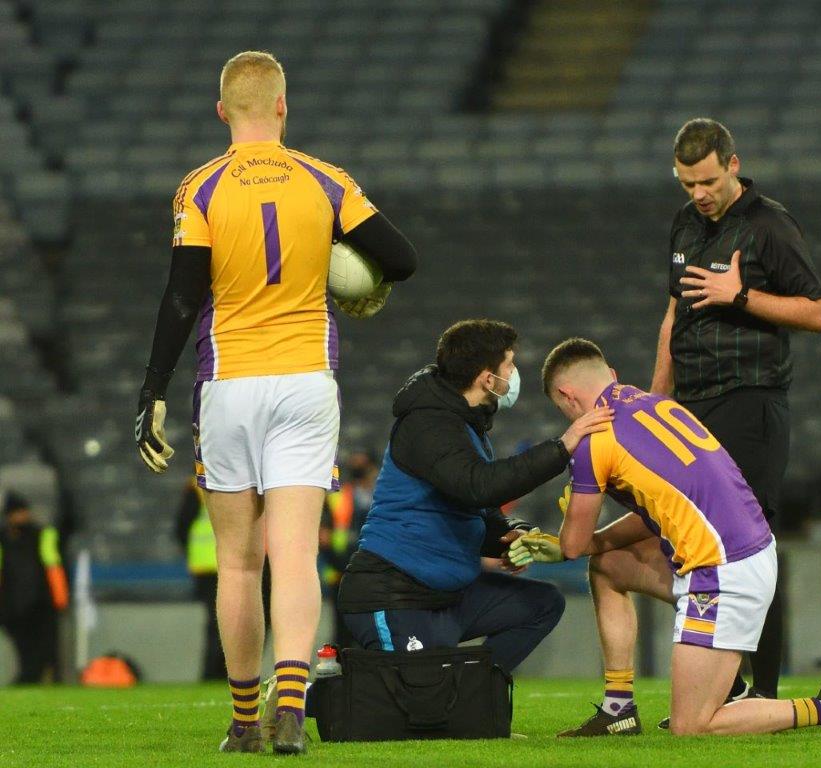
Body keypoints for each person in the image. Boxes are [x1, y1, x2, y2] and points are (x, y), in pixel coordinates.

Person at [133, 50, 417, 754]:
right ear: (284, 106)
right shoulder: (327, 182)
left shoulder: (197, 190)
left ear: (222, 109)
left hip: (227, 382)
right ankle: (289, 702)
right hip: (304, 381)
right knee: (295, 557)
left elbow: (180, 298)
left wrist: (151, 391)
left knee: (238, 561)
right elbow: (404, 259)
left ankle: (241, 721)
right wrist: (340, 266)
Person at [512, 339, 821, 737]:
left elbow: (572, 545)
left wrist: (567, 535)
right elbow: (659, 514)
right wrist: (591, 544)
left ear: (565, 395)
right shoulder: (657, 404)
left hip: (722, 572)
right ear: (611, 375)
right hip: (748, 551)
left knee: (691, 726)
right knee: (607, 566)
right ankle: (618, 709)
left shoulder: (594, 440)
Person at [651, 118, 821, 703]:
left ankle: (768, 690)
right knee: (703, 545)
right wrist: (657, 404)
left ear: (733, 164)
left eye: (705, 180)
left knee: (750, 544)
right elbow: (673, 315)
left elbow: (818, 312)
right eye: (686, 184)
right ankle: (726, 688)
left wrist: (742, 296)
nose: (698, 194)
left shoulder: (769, 227)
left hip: (751, 402)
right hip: (694, 408)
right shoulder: (685, 224)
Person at [337, 320, 613, 672]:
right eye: (509, 365)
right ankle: (451, 696)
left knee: (541, 604)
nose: (514, 373)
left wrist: (510, 536)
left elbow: (476, 507)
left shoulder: (465, 423)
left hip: (448, 595)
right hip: (397, 594)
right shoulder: (427, 423)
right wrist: (562, 447)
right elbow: (479, 485)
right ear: (487, 377)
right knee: (418, 711)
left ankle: (476, 696)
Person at [0, 492, 69, 683]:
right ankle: (29, 678)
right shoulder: (3, 539)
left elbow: (53, 566)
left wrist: (59, 597)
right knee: (27, 648)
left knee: (47, 648)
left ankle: (42, 679)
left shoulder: (42, 534)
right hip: (12, 605)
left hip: (42, 602)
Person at [318, 450, 379, 647]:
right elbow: (325, 535)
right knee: (343, 632)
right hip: (341, 570)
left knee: (372, 629)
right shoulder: (341, 497)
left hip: (373, 571)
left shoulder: (381, 496)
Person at [174, 478, 226, 681]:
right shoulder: (196, 488)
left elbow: (181, 528)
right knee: (217, 622)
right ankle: (214, 673)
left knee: (216, 621)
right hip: (211, 566)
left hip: (208, 565)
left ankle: (216, 672)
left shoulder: (195, 487)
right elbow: (181, 527)